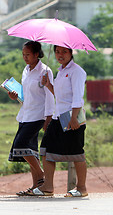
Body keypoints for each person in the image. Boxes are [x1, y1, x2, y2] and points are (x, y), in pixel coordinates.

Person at [30, 45, 88, 197]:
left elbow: (77, 96)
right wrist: (48, 84)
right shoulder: (61, 72)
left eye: (64, 51)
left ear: (71, 52)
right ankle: (48, 186)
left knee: (76, 153)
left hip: (71, 117)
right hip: (57, 117)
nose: (60, 55)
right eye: (57, 52)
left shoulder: (77, 71)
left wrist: (74, 117)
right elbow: (60, 96)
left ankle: (81, 188)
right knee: (46, 151)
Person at [8, 41, 55, 196]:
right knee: (32, 150)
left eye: (28, 54)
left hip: (38, 115)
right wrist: (15, 96)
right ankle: (36, 187)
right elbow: (26, 93)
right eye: (23, 54)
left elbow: (49, 96)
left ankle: (41, 174)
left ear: (37, 54)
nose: (25, 58)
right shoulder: (26, 70)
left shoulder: (45, 71)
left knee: (20, 145)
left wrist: (48, 118)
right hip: (25, 114)